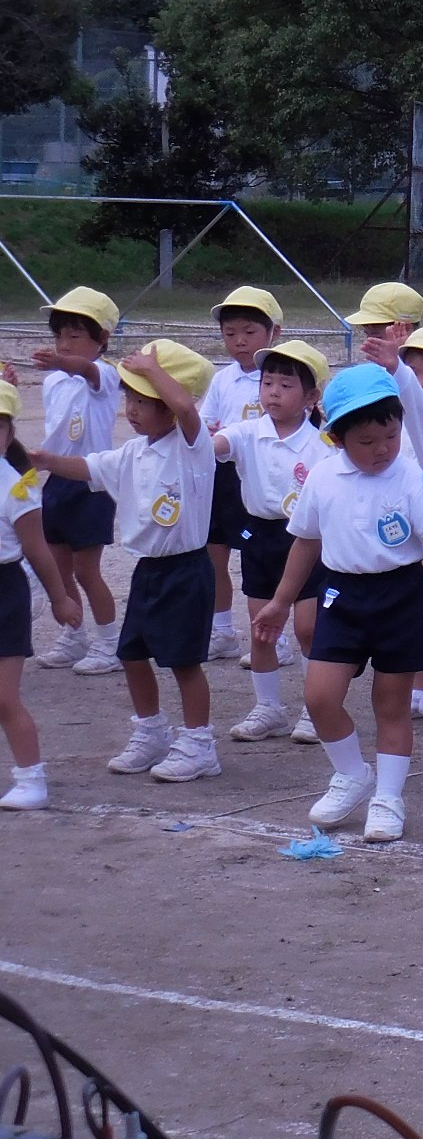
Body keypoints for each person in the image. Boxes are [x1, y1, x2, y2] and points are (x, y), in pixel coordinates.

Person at [253, 364, 423, 844]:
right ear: (338, 438)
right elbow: (305, 543)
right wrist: (281, 602)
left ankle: (389, 797)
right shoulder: (324, 478)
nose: (381, 449)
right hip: (341, 595)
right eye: (367, 441)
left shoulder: (409, 475)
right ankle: (350, 774)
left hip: (401, 595)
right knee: (319, 697)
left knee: (391, 704)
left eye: (390, 435)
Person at [33, 342, 220, 785]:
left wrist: (153, 370)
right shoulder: (132, 453)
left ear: (169, 408)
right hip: (148, 570)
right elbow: (86, 466)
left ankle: (199, 745)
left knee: (184, 662)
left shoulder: (193, 446)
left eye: (143, 402)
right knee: (132, 655)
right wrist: (41, 459)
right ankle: (151, 732)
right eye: (129, 399)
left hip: (186, 571)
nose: (131, 410)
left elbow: (186, 408)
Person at [215, 341, 333, 743]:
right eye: (268, 383)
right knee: (261, 626)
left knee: (308, 627)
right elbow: (216, 446)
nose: (273, 392)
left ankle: (315, 708)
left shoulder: (323, 444)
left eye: (286, 384)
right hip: (260, 537)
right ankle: (268, 708)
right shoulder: (248, 432)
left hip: (309, 540)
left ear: (312, 397)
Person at [0, 382, 85, 811]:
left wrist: (59, 598)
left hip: (4, 593)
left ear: (9, 433)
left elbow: (36, 549)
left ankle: (31, 778)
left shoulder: (15, 488)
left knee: (3, 695)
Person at [31, 286, 123, 676]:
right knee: (58, 566)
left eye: (75, 336)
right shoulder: (53, 382)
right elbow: (54, 432)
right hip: (56, 481)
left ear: (102, 340)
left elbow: (85, 369)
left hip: (91, 482)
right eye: (59, 335)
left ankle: (110, 643)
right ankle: (74, 635)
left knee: (88, 570)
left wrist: (64, 362)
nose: (64, 344)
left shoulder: (103, 375)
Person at [201, 284, 282, 664]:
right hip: (222, 474)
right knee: (214, 551)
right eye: (230, 333)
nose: (239, 341)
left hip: (264, 475)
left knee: (268, 556)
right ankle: (221, 631)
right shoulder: (222, 378)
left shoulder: (281, 374)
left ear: (273, 333)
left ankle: (276, 637)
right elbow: (205, 423)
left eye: (249, 332)